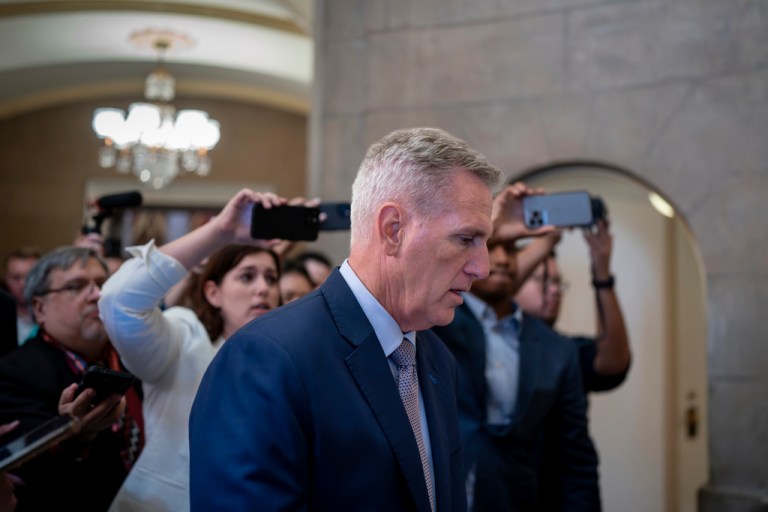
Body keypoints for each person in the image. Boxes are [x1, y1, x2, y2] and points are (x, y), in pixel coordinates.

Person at [189, 127, 502, 511]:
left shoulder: (437, 358)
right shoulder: (266, 358)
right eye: (465, 239)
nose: (482, 267)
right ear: (393, 230)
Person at [98, 189, 285, 512]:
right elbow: (119, 301)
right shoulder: (185, 339)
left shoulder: (288, 363)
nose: (262, 289)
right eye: (246, 276)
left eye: (271, 278)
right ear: (213, 293)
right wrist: (220, 233)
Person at [432, 184, 601, 511]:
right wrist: (487, 222)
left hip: (520, 496)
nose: (501, 260)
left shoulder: (556, 350)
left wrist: (550, 238)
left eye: (511, 250)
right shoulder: (440, 324)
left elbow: (575, 458)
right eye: (490, 247)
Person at [0, 246, 143, 512]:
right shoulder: (13, 374)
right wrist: (75, 439)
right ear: (40, 308)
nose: (98, 294)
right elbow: (35, 481)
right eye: (76, 286)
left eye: (103, 283)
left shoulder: (127, 357)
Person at [514, 218, 631, 393]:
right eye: (542, 280)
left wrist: (602, 275)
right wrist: (547, 241)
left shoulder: (565, 352)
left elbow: (613, 363)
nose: (554, 290)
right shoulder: (491, 343)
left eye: (557, 282)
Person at [2, 248, 41, 345]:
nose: (23, 284)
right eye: (16, 278)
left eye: (30, 277)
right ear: (6, 279)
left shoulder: (57, 319)